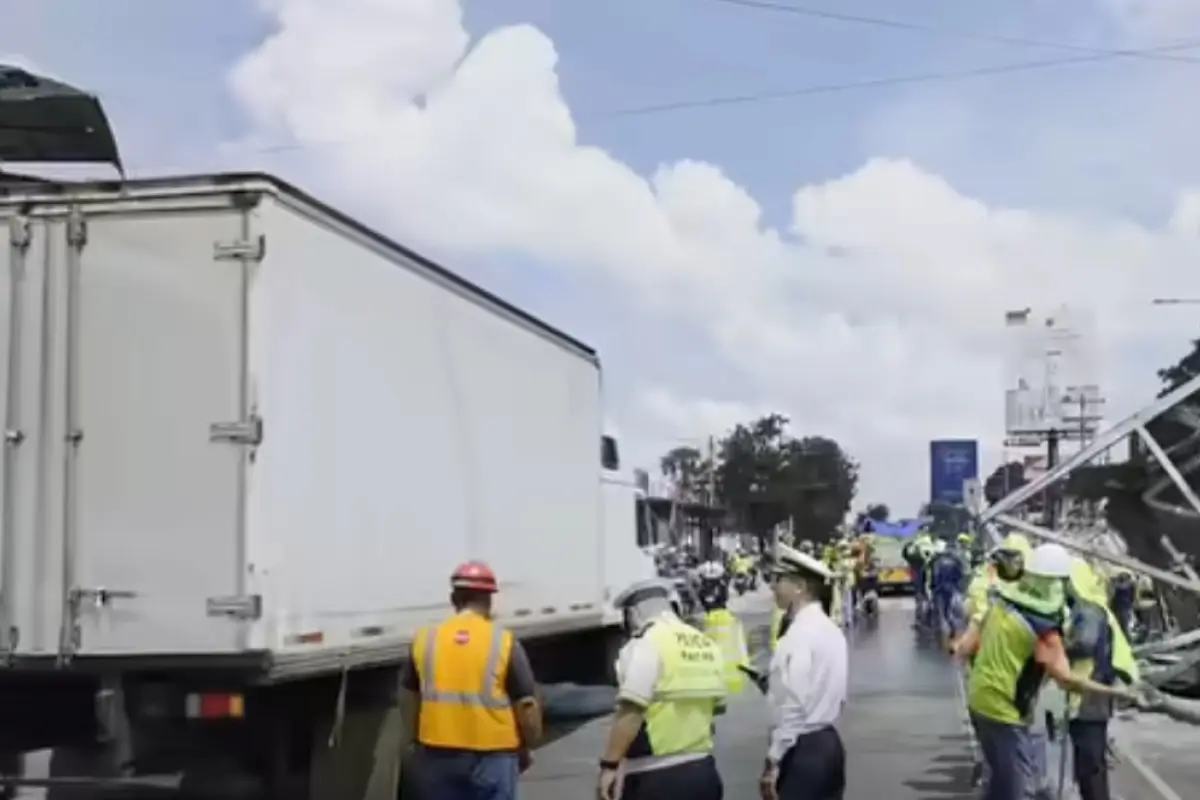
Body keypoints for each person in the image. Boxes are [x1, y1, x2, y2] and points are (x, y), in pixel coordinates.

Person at [953, 544, 1140, 800]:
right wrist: (1119, 693)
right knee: (1021, 789)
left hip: (980, 701)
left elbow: (968, 646)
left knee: (1000, 780)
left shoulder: (1001, 603)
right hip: (1007, 710)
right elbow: (1066, 678)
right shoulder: (1044, 628)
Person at [402, 561, 542, 800]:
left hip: (438, 754)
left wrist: (415, 739)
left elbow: (409, 698)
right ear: (489, 599)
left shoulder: (426, 639)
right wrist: (529, 744)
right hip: (494, 756)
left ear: (453, 598)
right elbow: (526, 704)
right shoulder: (504, 642)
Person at [598, 578, 727, 800]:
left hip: (654, 777)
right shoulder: (706, 644)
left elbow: (630, 712)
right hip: (704, 772)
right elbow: (716, 709)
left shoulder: (645, 644)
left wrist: (610, 765)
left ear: (634, 614)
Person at [761, 543, 848, 800]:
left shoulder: (798, 635)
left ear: (799, 587)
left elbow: (794, 705)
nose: (773, 587)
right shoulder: (830, 629)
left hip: (802, 747)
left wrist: (773, 761)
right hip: (829, 744)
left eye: (778, 580)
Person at [1063, 558, 1139, 800]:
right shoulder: (1094, 606)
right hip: (1094, 691)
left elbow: (1085, 643)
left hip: (1090, 693)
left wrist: (1060, 645)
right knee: (1089, 761)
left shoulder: (1088, 610)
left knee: (1090, 762)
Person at [700, 573, 752, 694]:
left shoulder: (705, 623)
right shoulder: (734, 621)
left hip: (716, 684)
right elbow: (742, 650)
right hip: (739, 682)